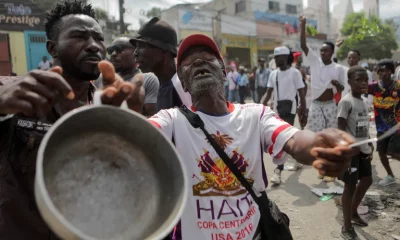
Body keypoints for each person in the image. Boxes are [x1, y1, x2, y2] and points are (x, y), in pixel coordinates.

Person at [148, 33, 356, 240]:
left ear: (224, 73)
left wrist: (319, 143)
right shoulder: (171, 121)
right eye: (189, 62)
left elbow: (294, 140)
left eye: (208, 58)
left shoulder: (256, 115)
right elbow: (139, 135)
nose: (199, 62)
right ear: (183, 83)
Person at [0, 1, 142, 239]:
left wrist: (126, 123)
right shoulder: (13, 92)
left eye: (99, 38)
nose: (93, 46)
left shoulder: (105, 107)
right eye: (79, 36)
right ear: (52, 48)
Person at [300, 16, 346, 182]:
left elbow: (341, 89)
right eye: (321, 50)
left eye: (325, 50)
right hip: (316, 105)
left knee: (330, 138)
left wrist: (336, 84)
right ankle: (322, 167)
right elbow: (303, 45)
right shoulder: (314, 62)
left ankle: (331, 168)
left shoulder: (338, 68)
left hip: (330, 106)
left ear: (332, 52)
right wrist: (303, 25)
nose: (322, 52)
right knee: (318, 138)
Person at [338, 66, 373, 240]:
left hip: (363, 149)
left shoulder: (365, 101)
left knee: (367, 180)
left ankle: (353, 212)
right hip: (351, 153)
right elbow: (341, 128)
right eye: (358, 80)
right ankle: (346, 226)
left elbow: (363, 125)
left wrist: (368, 144)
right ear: (350, 82)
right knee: (349, 186)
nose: (363, 83)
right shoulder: (346, 101)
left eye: (365, 79)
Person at [262, 46, 307, 183]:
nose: (277, 60)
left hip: (291, 110)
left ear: (286, 57)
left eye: (279, 57)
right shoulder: (273, 74)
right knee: (286, 138)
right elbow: (268, 93)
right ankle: (297, 158)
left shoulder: (295, 73)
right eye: (275, 57)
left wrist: (303, 110)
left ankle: (278, 171)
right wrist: (260, 107)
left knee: (280, 139)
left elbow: (301, 93)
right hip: (277, 110)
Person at [130, 17, 191, 111]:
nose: (135, 53)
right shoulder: (161, 86)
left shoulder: (184, 88)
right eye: (136, 47)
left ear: (164, 51)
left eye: (142, 46)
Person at [96, 37, 159, 116]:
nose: (113, 54)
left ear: (135, 52)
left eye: (119, 49)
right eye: (110, 50)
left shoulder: (148, 79)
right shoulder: (101, 78)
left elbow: (152, 117)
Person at [368, 59, 400, 186]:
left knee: (392, 152)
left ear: (391, 72)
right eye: (381, 71)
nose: (383, 73)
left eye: (386, 71)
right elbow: (359, 89)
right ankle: (390, 175)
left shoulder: (397, 86)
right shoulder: (374, 87)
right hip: (381, 128)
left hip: (396, 127)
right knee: (381, 153)